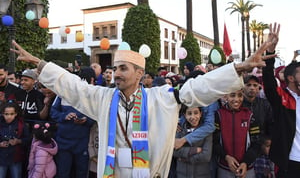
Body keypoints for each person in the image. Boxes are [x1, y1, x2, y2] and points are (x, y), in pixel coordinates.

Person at [11, 25, 277, 178]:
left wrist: (238, 68)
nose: (116, 74)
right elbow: (74, 87)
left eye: (124, 69)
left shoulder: (161, 97)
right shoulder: (103, 97)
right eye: (115, 69)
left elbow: (197, 88)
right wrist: (41, 64)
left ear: (140, 73)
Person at [262, 23, 300, 178]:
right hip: (289, 163)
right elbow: (269, 81)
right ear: (290, 78)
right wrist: (270, 51)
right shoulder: (282, 98)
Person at [213, 89, 261, 178]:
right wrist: (226, 157)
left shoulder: (250, 116)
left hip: (247, 168)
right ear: (225, 96)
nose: (236, 99)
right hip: (225, 168)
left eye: (240, 95)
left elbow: (256, 143)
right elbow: (214, 142)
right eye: (232, 95)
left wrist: (245, 162)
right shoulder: (218, 115)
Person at [173, 105, 212, 178]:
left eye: (196, 113)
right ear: (185, 115)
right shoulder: (179, 129)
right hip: (182, 174)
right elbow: (174, 151)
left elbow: (206, 156)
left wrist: (183, 158)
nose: (193, 117)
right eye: (189, 113)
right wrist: (193, 150)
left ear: (201, 114)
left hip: (202, 174)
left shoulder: (206, 131)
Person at [0, 101, 31, 178]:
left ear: (16, 114)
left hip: (16, 158)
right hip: (1, 158)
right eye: (6, 114)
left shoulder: (21, 124)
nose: (9, 116)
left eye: (12, 114)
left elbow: (28, 139)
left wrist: (18, 141)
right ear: (2, 114)